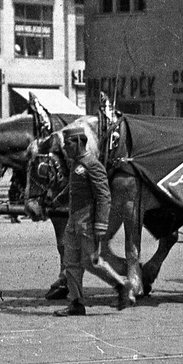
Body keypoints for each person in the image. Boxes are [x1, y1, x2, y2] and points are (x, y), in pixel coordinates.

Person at [54, 126, 124, 316]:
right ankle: (76, 303)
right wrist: (57, 199)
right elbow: (73, 188)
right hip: (73, 225)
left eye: (67, 144)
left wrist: (101, 225)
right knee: (71, 265)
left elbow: (104, 196)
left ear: (78, 142)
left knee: (91, 262)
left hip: (87, 226)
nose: (65, 148)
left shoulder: (92, 165)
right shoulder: (76, 165)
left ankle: (122, 287)